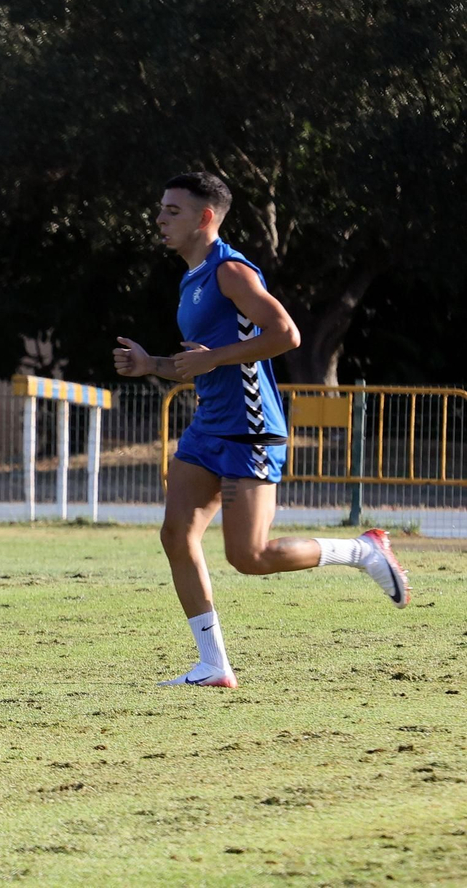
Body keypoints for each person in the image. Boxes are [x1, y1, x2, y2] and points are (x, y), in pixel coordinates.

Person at [113, 171, 408, 689]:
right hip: (209, 427)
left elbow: (286, 334)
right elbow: (202, 364)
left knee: (249, 557)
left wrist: (213, 360)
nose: (159, 218)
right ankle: (213, 665)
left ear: (205, 217)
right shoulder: (192, 279)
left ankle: (362, 551)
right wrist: (150, 363)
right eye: (161, 208)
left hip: (251, 429)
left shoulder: (230, 272)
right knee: (176, 535)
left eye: (172, 211)